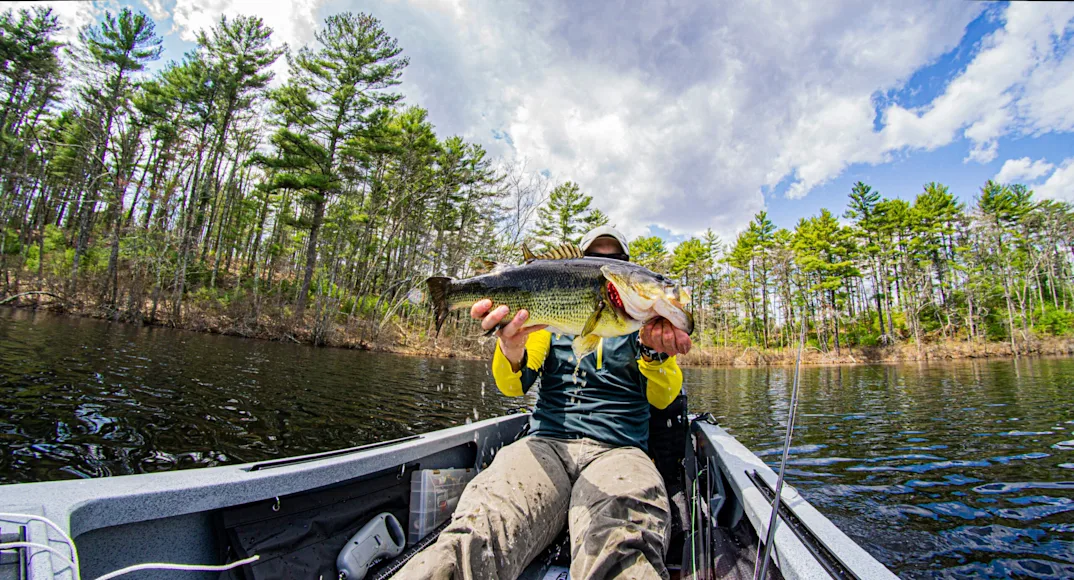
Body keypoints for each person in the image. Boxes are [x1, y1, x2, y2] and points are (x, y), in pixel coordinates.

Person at [396, 226, 692, 580]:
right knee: (481, 525)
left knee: (623, 541)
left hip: (620, 451)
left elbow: (663, 397)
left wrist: (655, 355)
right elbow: (512, 386)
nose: (604, 266)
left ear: (627, 270)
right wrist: (510, 348)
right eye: (595, 260)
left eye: (614, 261)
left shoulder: (648, 329)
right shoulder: (550, 323)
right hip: (546, 446)